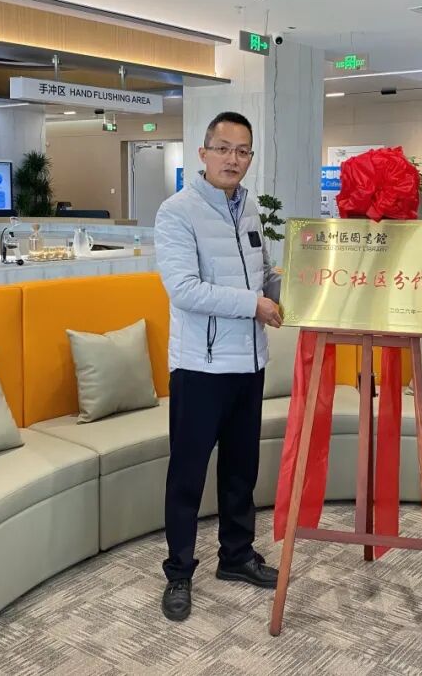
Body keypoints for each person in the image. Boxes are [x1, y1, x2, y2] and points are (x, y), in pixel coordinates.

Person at [153, 110, 283, 622]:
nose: (233, 159)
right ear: (202, 152)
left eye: (243, 151)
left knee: (240, 470)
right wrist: (254, 305)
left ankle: (236, 556)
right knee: (187, 476)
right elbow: (184, 290)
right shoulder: (177, 212)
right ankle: (179, 572)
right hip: (199, 368)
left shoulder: (248, 209)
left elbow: (263, 274)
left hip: (248, 363)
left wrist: (306, 284)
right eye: (224, 148)